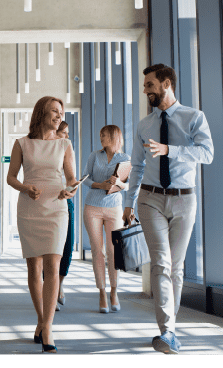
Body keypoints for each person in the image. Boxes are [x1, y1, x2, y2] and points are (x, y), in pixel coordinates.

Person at [123, 64, 213, 354]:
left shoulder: (193, 117)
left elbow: (207, 153)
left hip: (184, 199)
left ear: (166, 83)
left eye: (150, 84)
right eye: (145, 85)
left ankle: (169, 327)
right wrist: (128, 203)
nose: (146, 90)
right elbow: (136, 167)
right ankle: (168, 331)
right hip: (150, 199)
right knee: (160, 263)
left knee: (176, 267)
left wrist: (170, 150)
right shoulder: (143, 125)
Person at [7, 96, 79, 353]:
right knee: (34, 267)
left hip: (57, 210)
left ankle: (47, 326)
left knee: (53, 264)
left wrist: (70, 190)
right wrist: (26, 188)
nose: (59, 116)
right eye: (54, 111)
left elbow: (71, 179)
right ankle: (40, 320)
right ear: (41, 113)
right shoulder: (22, 143)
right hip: (30, 208)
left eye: (61, 112)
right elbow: (11, 177)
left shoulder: (65, 145)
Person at [82, 125, 130, 313]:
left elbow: (128, 186)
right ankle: (102, 292)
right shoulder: (95, 155)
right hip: (92, 207)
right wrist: (98, 184)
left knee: (113, 251)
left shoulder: (125, 159)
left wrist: (118, 183)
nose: (101, 137)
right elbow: (85, 178)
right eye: (100, 134)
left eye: (104, 135)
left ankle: (114, 292)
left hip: (114, 209)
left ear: (114, 136)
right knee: (97, 251)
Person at [55, 121, 74, 306]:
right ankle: (51, 289)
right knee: (51, 250)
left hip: (66, 201)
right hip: (48, 203)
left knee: (67, 248)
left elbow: (72, 178)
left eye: (68, 133)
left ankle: (59, 285)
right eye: (63, 133)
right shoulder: (47, 151)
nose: (67, 137)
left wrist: (72, 188)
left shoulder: (67, 149)